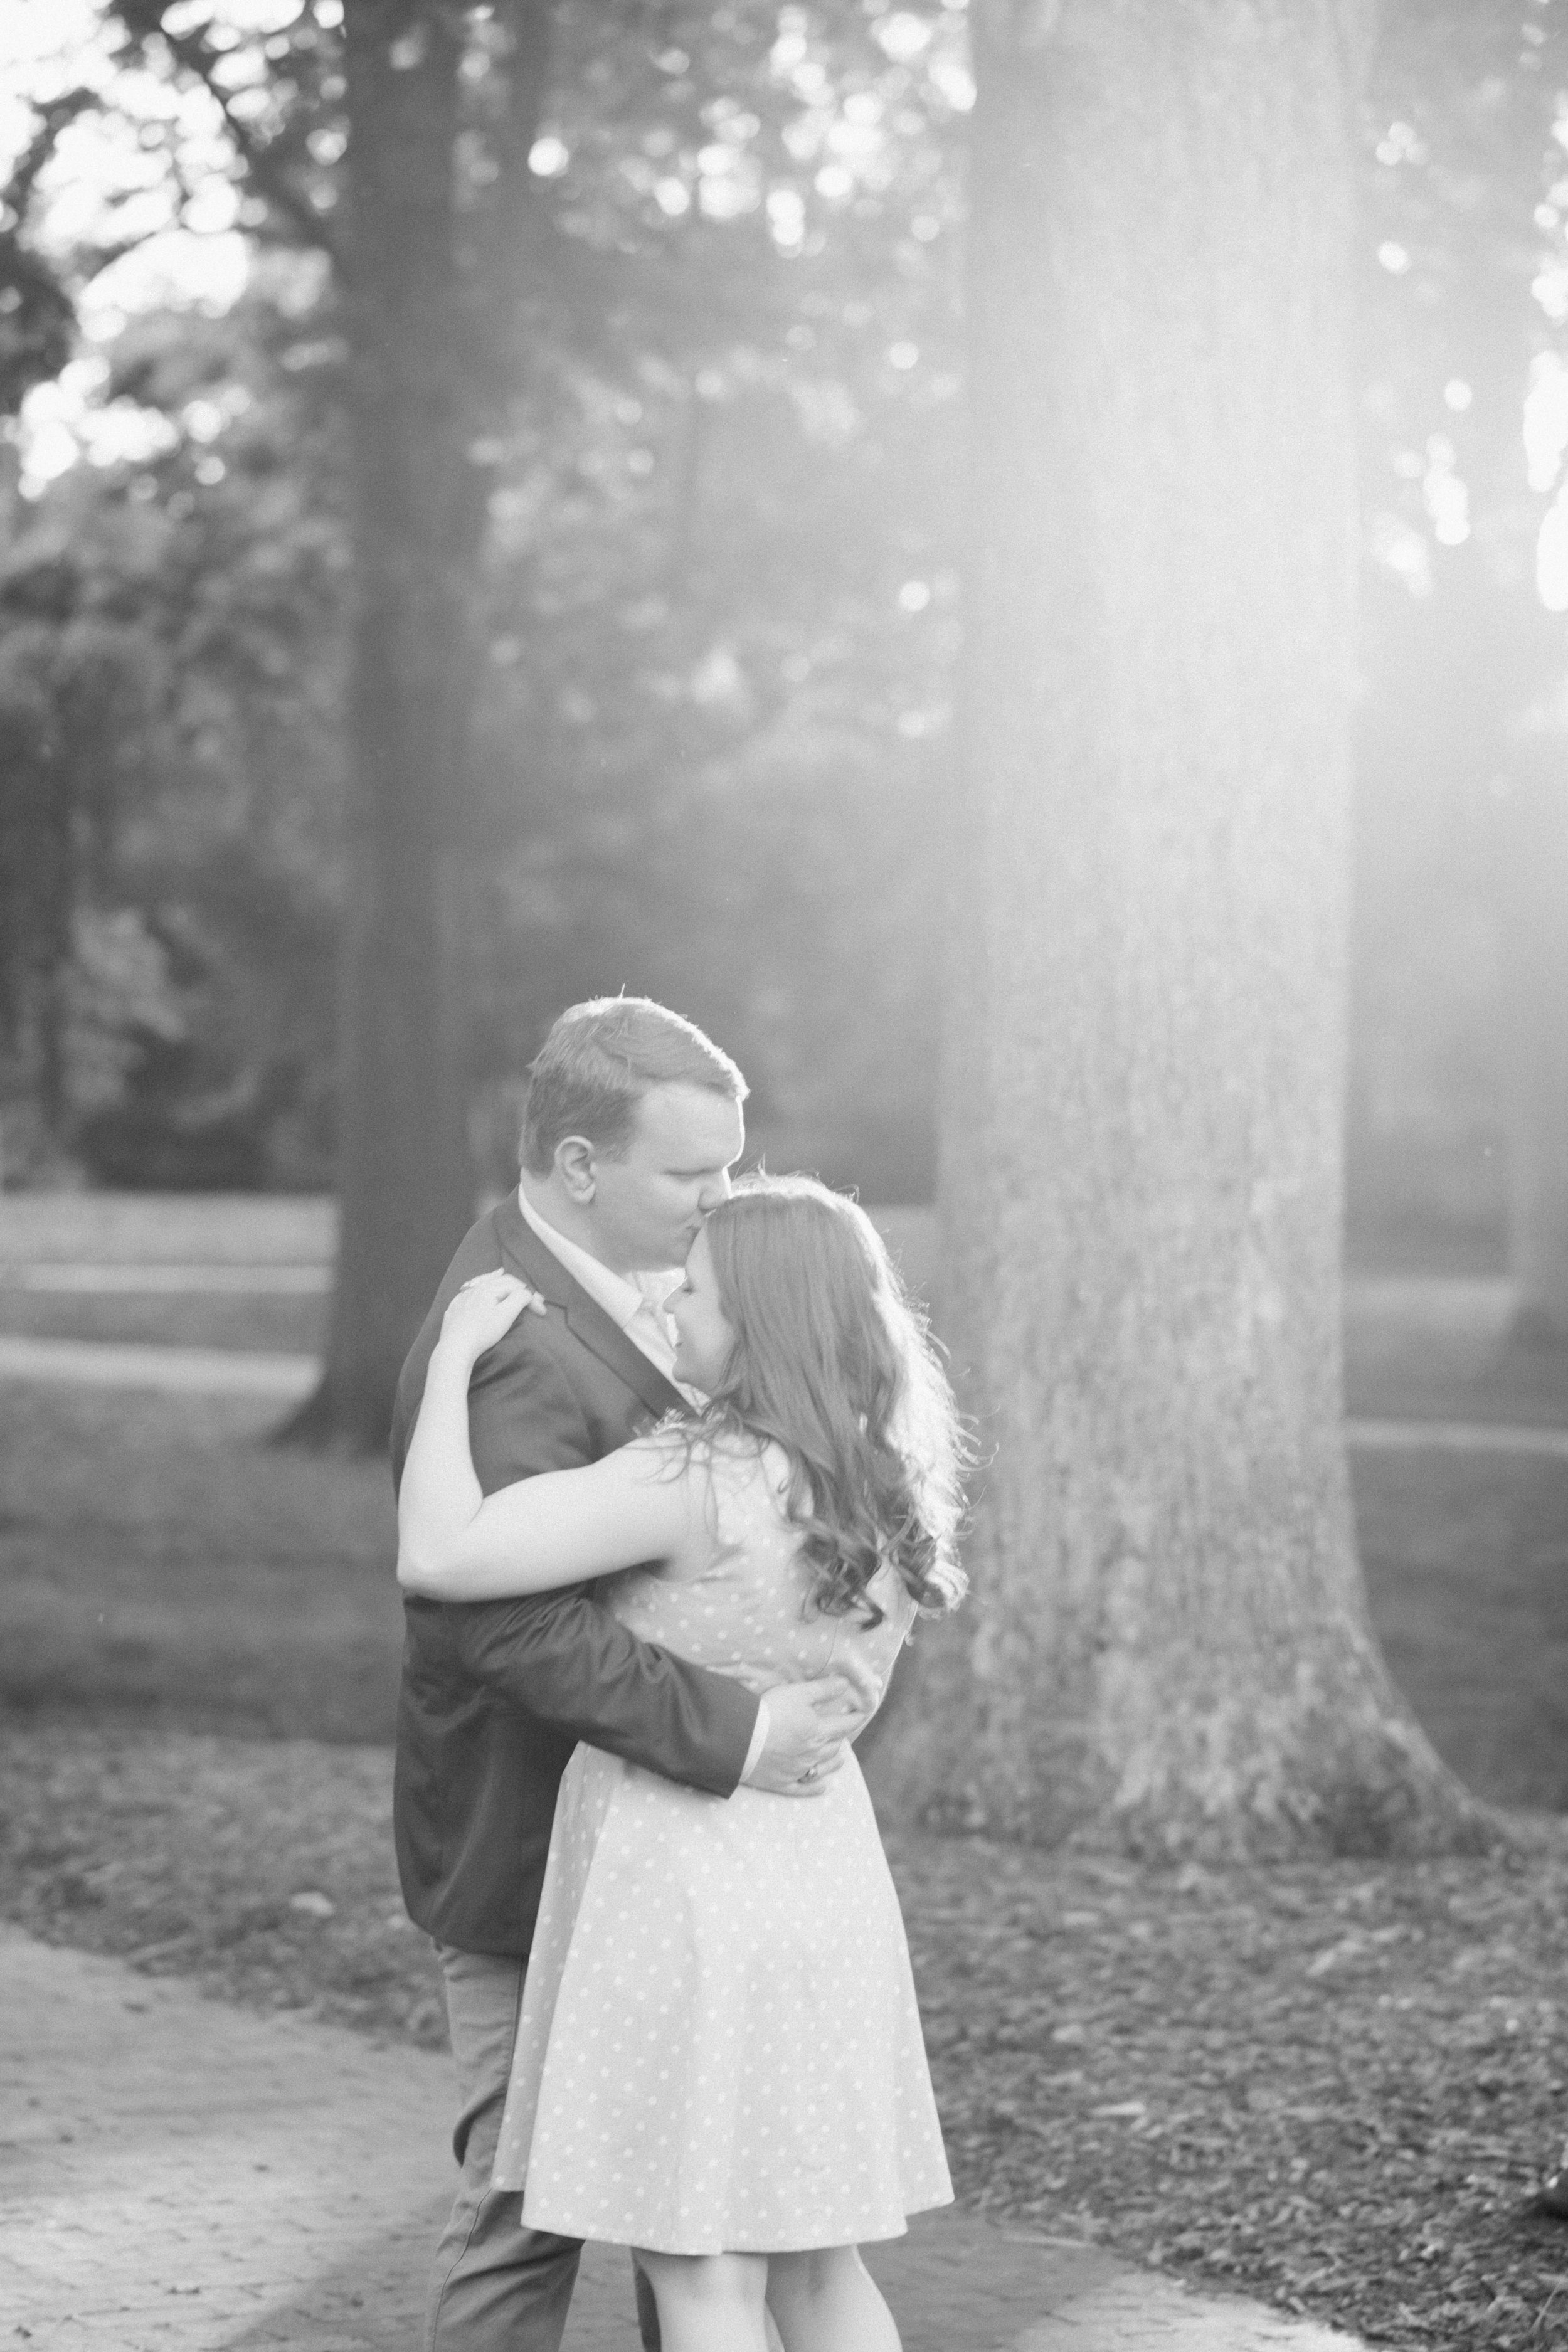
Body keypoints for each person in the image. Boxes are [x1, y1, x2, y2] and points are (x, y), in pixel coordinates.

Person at [398, 1172, 967, 2352]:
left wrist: (452, 1359)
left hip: (682, 1888)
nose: (670, 1312)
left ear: (756, 1321)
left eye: (696, 1295)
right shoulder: (886, 1483)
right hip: (824, 1886)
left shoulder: (697, 1477)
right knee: (820, 2264)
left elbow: (443, 1555)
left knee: (704, 2268)